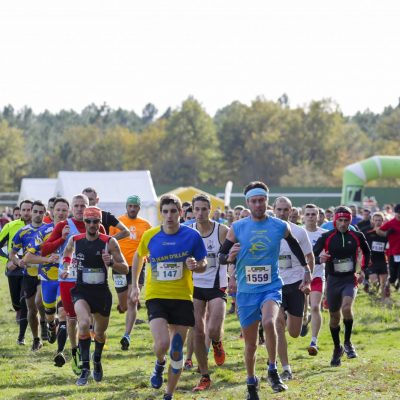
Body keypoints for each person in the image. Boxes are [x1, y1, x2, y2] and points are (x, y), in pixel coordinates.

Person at [218, 181, 312, 398]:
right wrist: (229, 256)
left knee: (270, 322)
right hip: (246, 291)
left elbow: (296, 245)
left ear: (267, 201)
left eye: (262, 200)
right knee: (250, 344)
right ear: (248, 203)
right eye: (254, 201)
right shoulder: (238, 227)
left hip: (271, 286)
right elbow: (222, 257)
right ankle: (251, 382)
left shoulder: (279, 225)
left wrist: (306, 268)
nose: (258, 204)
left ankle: (272, 369)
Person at [130, 194, 207, 400]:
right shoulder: (151, 235)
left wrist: (196, 266)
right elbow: (139, 255)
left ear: (180, 213)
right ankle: (159, 362)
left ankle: (169, 394)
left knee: (176, 350)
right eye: (165, 211)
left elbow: (203, 262)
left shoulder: (192, 236)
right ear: (160, 213)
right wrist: (135, 286)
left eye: (174, 211)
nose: (169, 216)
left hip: (182, 298)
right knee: (163, 344)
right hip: (157, 296)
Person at [62, 206, 129, 385]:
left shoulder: (110, 242)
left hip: (101, 293)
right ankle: (85, 369)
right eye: (88, 221)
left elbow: (125, 268)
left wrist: (112, 262)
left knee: (99, 333)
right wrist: (67, 267)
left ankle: (97, 360)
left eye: (95, 221)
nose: (92, 225)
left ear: (100, 223)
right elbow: (67, 253)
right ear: (84, 222)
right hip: (81, 291)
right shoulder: (75, 240)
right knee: (83, 323)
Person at [42, 194, 106, 375]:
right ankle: (75, 351)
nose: (79, 209)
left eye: (82, 205)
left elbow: (104, 246)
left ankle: (91, 348)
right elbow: (45, 249)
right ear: (72, 208)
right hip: (68, 277)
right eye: (76, 205)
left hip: (90, 279)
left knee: (91, 317)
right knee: (70, 318)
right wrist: (61, 239)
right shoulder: (64, 226)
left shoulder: (95, 225)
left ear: (88, 207)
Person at [313, 206, 371, 367]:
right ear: (335, 221)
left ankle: (347, 342)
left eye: (346, 220)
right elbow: (313, 254)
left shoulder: (357, 235)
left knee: (346, 308)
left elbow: (367, 252)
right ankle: (337, 347)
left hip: (349, 279)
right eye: (340, 220)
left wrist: (363, 271)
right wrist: (320, 259)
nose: (343, 224)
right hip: (332, 280)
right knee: (334, 318)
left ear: (350, 221)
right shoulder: (327, 236)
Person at [24, 197, 70, 365]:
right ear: (52, 212)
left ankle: (61, 351)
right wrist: (48, 259)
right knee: (49, 313)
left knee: (64, 312)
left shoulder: (73, 229)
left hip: (66, 279)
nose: (61, 213)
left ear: (68, 211)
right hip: (48, 279)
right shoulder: (44, 231)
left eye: (64, 210)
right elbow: (28, 257)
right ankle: (51, 326)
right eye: (58, 209)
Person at [190, 194, 229, 392]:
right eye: (197, 209)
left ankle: (217, 342)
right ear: (192, 211)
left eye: (204, 209)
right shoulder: (188, 232)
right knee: (197, 330)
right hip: (195, 287)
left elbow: (233, 255)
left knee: (213, 329)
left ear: (210, 209)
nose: (200, 213)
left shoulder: (222, 231)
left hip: (217, 286)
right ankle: (204, 376)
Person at [273, 196, 314, 380]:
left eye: (286, 210)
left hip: (296, 283)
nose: (282, 213)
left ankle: (303, 317)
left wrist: (308, 280)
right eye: (279, 209)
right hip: (275, 285)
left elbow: (310, 257)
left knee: (294, 333)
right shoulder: (267, 231)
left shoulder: (299, 232)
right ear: (273, 209)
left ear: (291, 211)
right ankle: (285, 367)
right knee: (278, 325)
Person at [9, 201, 53, 351]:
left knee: (39, 302)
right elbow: (12, 253)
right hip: (28, 274)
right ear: (31, 212)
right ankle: (36, 339)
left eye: (41, 212)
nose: (38, 214)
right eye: (36, 211)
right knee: (31, 309)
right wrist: (18, 262)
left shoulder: (49, 230)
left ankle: (48, 324)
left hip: (45, 272)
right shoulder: (23, 231)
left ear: (45, 214)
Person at [108, 195, 151, 350]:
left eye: (135, 206)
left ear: (139, 208)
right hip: (119, 266)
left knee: (133, 300)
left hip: (138, 265)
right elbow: (109, 242)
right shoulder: (117, 223)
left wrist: (150, 255)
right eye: (130, 206)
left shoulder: (146, 225)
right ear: (126, 207)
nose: (133, 208)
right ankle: (126, 309)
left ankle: (126, 335)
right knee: (124, 303)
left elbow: (150, 244)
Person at [0, 200, 33, 345]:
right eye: (24, 210)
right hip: (14, 271)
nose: (26, 212)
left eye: (29, 209)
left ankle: (23, 335)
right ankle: (19, 313)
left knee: (25, 300)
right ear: (19, 211)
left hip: (32, 271)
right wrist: (8, 261)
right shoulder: (11, 226)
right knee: (16, 302)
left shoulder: (41, 227)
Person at [303, 204, 327, 355]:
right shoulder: (297, 232)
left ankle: (314, 341)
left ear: (318, 216)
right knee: (301, 311)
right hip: (300, 277)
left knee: (316, 307)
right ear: (303, 216)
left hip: (317, 276)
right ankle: (304, 320)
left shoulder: (324, 234)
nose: (311, 217)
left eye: (314, 214)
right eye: (308, 214)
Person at [363, 212, 388, 297]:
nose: (378, 222)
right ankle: (373, 295)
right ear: (372, 221)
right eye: (376, 220)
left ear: (383, 221)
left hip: (382, 260)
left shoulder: (386, 234)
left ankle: (383, 301)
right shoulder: (368, 234)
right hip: (371, 261)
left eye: (379, 220)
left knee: (383, 284)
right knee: (374, 282)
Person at [376, 204, 400, 289]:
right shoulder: (390, 223)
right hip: (393, 252)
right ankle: (392, 283)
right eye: (398, 213)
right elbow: (378, 231)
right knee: (393, 274)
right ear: (395, 213)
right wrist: (386, 233)